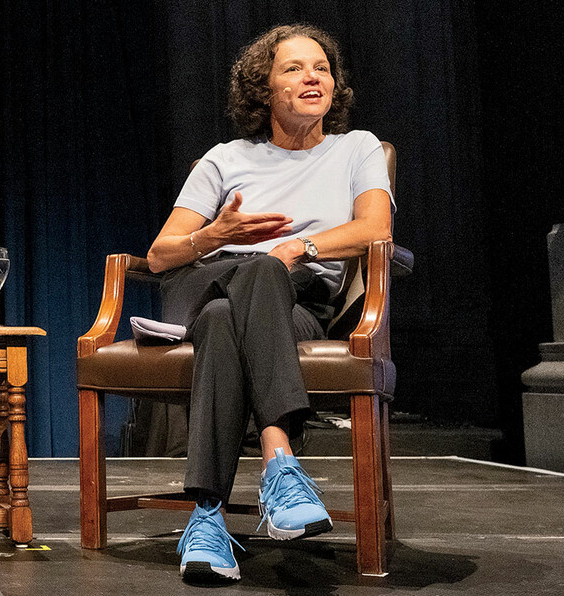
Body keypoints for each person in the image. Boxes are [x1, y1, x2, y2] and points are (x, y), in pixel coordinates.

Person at [146, 23, 394, 583]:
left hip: (299, 302)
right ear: (264, 90)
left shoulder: (357, 149)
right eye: (294, 68)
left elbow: (375, 227)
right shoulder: (224, 158)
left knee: (222, 318)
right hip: (211, 277)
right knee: (234, 287)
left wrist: (296, 246)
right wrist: (215, 234)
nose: (313, 77)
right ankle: (280, 463)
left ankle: (206, 517)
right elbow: (160, 256)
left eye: (322, 68)